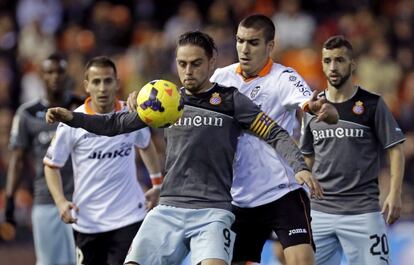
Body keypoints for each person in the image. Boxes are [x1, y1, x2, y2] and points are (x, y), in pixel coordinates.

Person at [44, 31, 323, 265]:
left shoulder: (231, 101)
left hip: (214, 212)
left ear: (212, 61)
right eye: (182, 63)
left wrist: (299, 167)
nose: (187, 72)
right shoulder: (165, 102)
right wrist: (73, 118)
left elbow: (273, 132)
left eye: (196, 63)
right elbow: (115, 124)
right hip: (168, 210)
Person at [209, 14, 338, 265]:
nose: (244, 49)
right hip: (239, 196)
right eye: (240, 41)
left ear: (270, 46)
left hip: (283, 190)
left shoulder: (284, 78)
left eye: (253, 43)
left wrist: (321, 109)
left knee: (301, 260)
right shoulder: (221, 78)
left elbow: (312, 104)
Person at [43, 56, 162, 265]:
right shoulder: (71, 121)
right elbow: (51, 165)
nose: (103, 88)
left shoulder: (132, 115)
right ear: (86, 86)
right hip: (87, 221)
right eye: (96, 82)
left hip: (129, 216)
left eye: (108, 81)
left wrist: (157, 184)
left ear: (117, 82)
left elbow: (146, 145)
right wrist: (60, 201)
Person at [299, 35, 405, 265]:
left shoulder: (372, 104)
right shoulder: (311, 108)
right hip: (320, 213)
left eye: (339, 60)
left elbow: (395, 150)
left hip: (363, 213)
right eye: (327, 61)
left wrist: (395, 193)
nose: (333, 67)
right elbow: (306, 157)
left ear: (353, 64)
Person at [5, 53, 81, 265]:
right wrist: (10, 199)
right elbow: (18, 159)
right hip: (46, 201)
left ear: (67, 75)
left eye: (60, 71)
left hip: (83, 200)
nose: (55, 77)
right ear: (41, 75)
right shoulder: (27, 113)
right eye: (49, 72)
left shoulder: (83, 107)